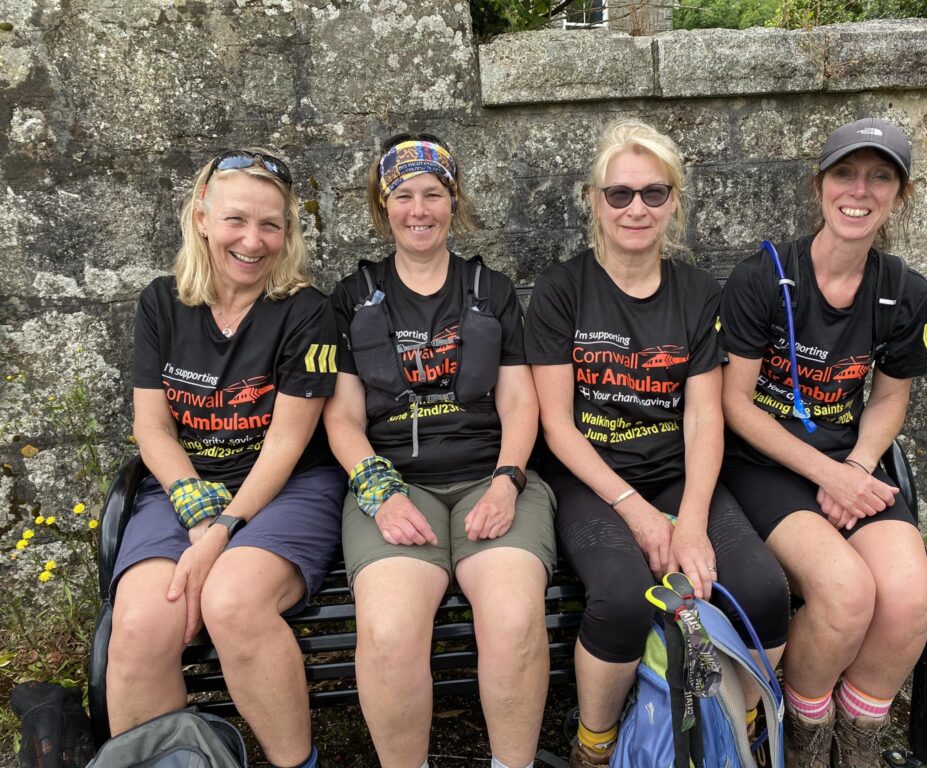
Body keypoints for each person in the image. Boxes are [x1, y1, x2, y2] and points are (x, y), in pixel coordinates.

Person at [525, 118, 790, 768]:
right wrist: (637, 512)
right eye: (619, 193)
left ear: (674, 201)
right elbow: (555, 423)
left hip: (678, 474)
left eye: (653, 192)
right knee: (618, 595)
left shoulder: (698, 293)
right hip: (590, 479)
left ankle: (738, 728)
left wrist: (691, 520)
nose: (635, 207)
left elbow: (705, 418)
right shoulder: (563, 291)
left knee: (761, 588)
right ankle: (596, 745)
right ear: (594, 200)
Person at [323, 133, 556, 768]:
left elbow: (520, 404)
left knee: (512, 620)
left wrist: (509, 481)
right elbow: (341, 417)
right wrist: (379, 489)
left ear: (454, 202)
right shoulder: (352, 296)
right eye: (403, 195)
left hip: (490, 477)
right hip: (396, 485)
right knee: (390, 631)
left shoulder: (492, 289)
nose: (418, 209)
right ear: (383, 206)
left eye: (433, 193)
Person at [106, 149, 342, 768]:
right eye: (237, 219)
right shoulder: (161, 303)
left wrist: (220, 532)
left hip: (286, 487)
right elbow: (152, 426)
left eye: (272, 225)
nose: (253, 240)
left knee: (232, 602)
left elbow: (287, 444)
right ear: (202, 216)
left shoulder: (308, 313)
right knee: (140, 623)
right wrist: (192, 505)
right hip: (186, 488)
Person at [719, 117, 927, 768]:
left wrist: (860, 465)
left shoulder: (903, 290)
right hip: (763, 465)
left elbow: (890, 396)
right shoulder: (765, 275)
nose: (860, 190)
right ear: (820, 186)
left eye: (880, 177)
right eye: (845, 172)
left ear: (900, 194)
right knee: (846, 593)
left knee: (907, 597)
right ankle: (803, 737)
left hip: (852, 463)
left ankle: (856, 743)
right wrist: (830, 475)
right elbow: (733, 403)